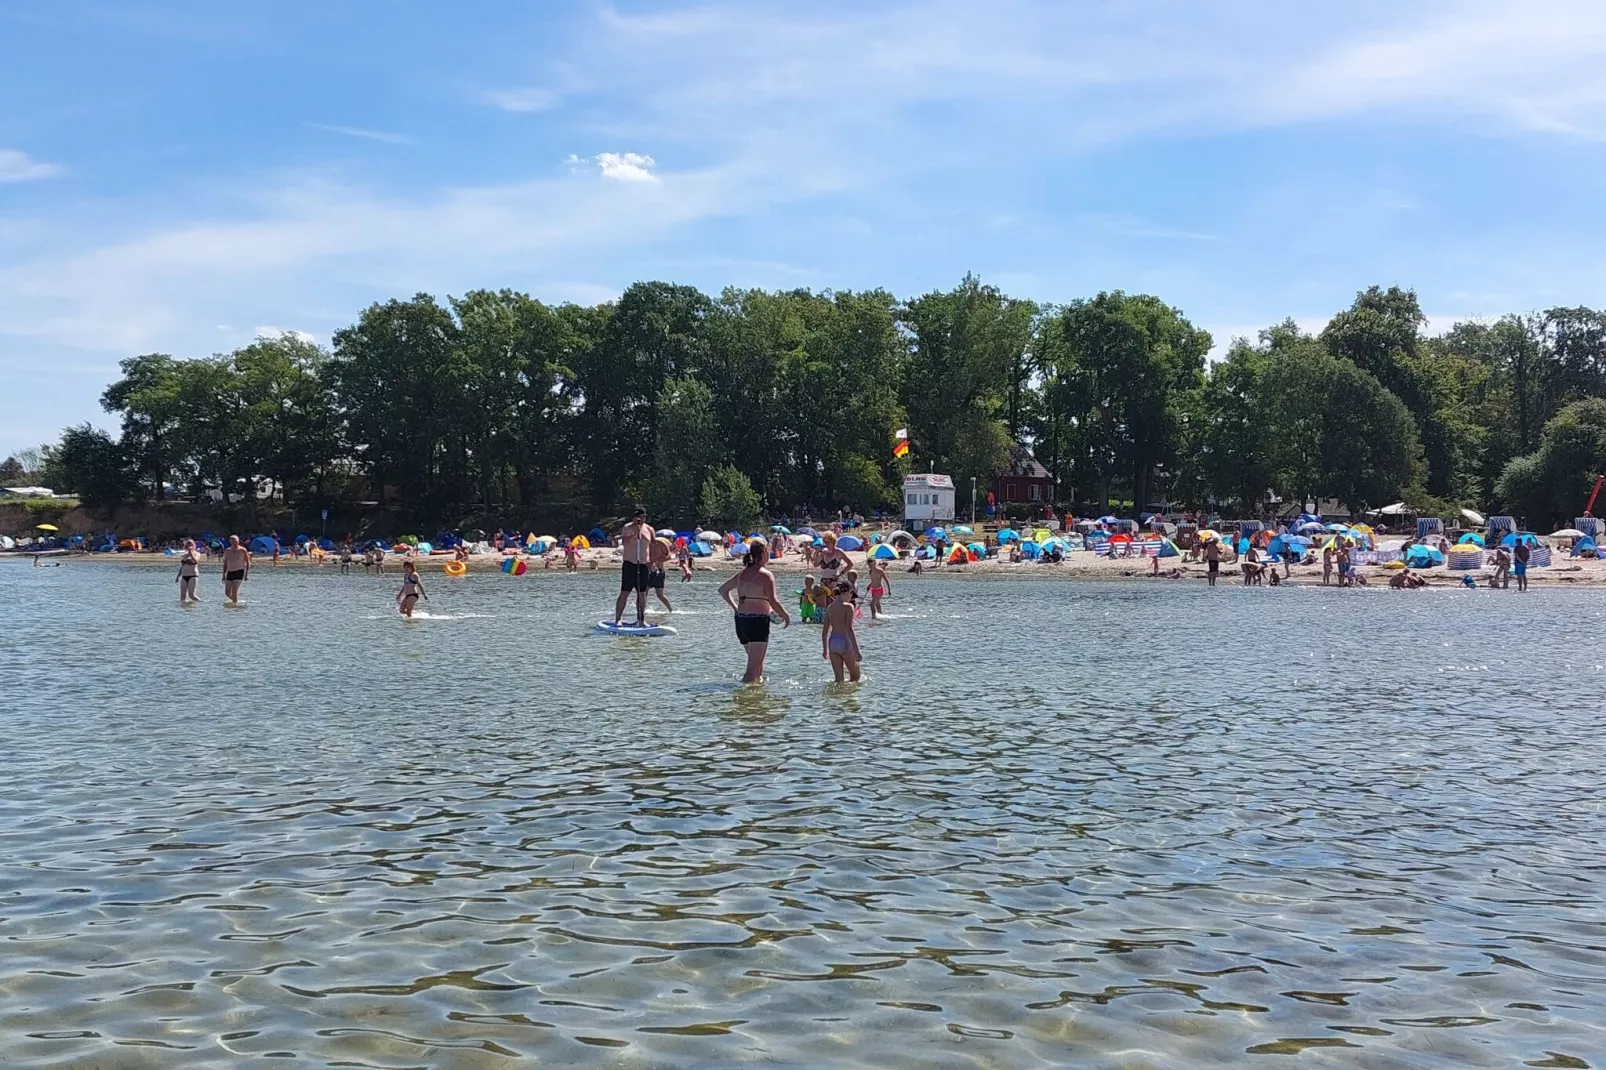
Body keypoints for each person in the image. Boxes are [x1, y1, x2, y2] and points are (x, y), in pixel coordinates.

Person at [718, 537, 791, 684]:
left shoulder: (742, 574)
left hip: (741, 621)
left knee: (757, 664)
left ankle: (757, 700)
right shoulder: (765, 575)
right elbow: (773, 601)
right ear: (763, 553)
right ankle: (743, 700)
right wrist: (786, 615)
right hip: (757, 622)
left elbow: (723, 590)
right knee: (752, 669)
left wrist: (735, 608)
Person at [821, 581, 863, 683]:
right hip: (845, 642)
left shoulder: (830, 608)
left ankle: (838, 697)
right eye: (851, 595)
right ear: (848, 592)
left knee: (838, 681)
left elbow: (825, 631)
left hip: (833, 643)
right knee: (855, 678)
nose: (851, 598)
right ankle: (848, 697)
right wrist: (857, 651)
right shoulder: (848, 607)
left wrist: (825, 650)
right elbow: (849, 629)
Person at [220, 535, 251, 605]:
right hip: (230, 572)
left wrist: (246, 574)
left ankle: (235, 606)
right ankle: (235, 601)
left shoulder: (242, 550)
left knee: (234, 591)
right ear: (230, 541)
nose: (235, 542)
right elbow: (225, 563)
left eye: (236, 541)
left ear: (238, 541)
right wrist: (223, 575)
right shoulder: (227, 550)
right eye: (233, 541)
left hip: (239, 571)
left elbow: (247, 562)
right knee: (227, 593)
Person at [647, 535, 674, 614]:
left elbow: (669, 556)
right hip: (649, 571)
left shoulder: (660, 543)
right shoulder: (645, 545)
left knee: (660, 595)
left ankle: (670, 610)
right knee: (643, 593)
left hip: (659, 571)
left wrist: (658, 560)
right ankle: (642, 611)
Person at [176, 539, 201, 604]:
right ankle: (183, 609)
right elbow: (182, 566)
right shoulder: (184, 554)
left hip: (192, 575)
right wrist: (178, 576)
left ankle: (201, 603)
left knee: (191, 595)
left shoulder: (197, 554)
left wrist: (191, 553)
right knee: (182, 595)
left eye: (191, 544)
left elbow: (195, 561)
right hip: (184, 576)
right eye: (188, 544)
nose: (189, 545)